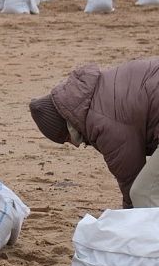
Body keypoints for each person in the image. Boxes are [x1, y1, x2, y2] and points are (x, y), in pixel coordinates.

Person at [30, 58, 159, 209]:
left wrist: (128, 221)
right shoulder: (96, 91)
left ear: (67, 125)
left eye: (66, 139)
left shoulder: (100, 122)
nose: (74, 145)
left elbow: (130, 179)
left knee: (143, 193)